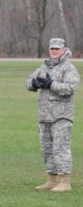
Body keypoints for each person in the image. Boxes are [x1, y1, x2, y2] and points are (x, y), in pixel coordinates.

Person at [26, 38, 80, 192]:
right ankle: (52, 179)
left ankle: (65, 181)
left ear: (63, 50)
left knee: (60, 148)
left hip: (61, 116)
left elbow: (71, 88)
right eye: (52, 48)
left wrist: (52, 85)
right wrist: (34, 84)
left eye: (57, 48)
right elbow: (28, 80)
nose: (54, 51)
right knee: (47, 149)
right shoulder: (44, 67)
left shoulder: (68, 68)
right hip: (45, 117)